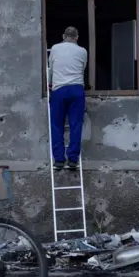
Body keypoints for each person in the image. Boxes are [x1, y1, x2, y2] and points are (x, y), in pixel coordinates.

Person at [47, 26, 88, 170]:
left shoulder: (55, 48)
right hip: (77, 89)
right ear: (76, 37)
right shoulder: (83, 51)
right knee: (76, 125)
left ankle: (59, 159)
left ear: (63, 36)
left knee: (56, 125)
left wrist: (50, 83)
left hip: (59, 90)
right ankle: (73, 159)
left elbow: (51, 69)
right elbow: (82, 69)